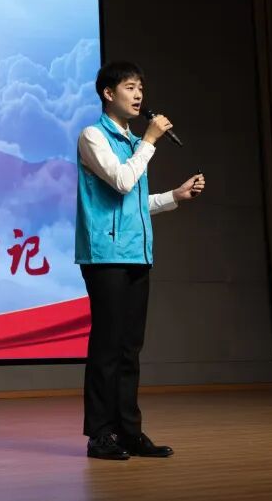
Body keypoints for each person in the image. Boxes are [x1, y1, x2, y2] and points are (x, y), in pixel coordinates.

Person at [75, 61, 206, 461]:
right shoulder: (93, 136)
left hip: (137, 253)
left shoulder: (134, 142)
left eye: (141, 89)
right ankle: (100, 435)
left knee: (130, 348)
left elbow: (133, 204)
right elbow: (121, 182)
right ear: (108, 93)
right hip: (105, 256)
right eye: (130, 87)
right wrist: (149, 140)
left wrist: (174, 197)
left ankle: (129, 433)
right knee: (107, 346)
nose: (138, 95)